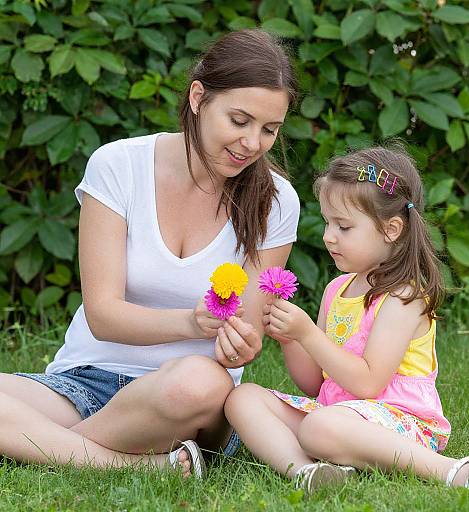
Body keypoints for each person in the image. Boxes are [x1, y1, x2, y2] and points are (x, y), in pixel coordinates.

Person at [0, 29, 300, 477]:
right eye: (239, 121)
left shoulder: (276, 200)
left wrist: (244, 344)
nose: (252, 144)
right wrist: (189, 321)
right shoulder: (118, 166)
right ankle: (137, 465)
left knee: (197, 382)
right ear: (198, 97)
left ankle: (41, 446)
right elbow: (102, 315)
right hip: (86, 381)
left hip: (188, 398)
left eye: (269, 130)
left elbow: (242, 342)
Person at [225, 145, 469, 494]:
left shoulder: (404, 296)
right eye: (327, 222)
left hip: (400, 421)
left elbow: (368, 384)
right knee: (243, 397)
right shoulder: (337, 289)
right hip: (336, 414)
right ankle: (307, 473)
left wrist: (308, 333)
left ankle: (451, 470)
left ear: (391, 229)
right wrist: (290, 338)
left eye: (344, 226)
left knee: (319, 427)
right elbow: (316, 384)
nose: (328, 235)